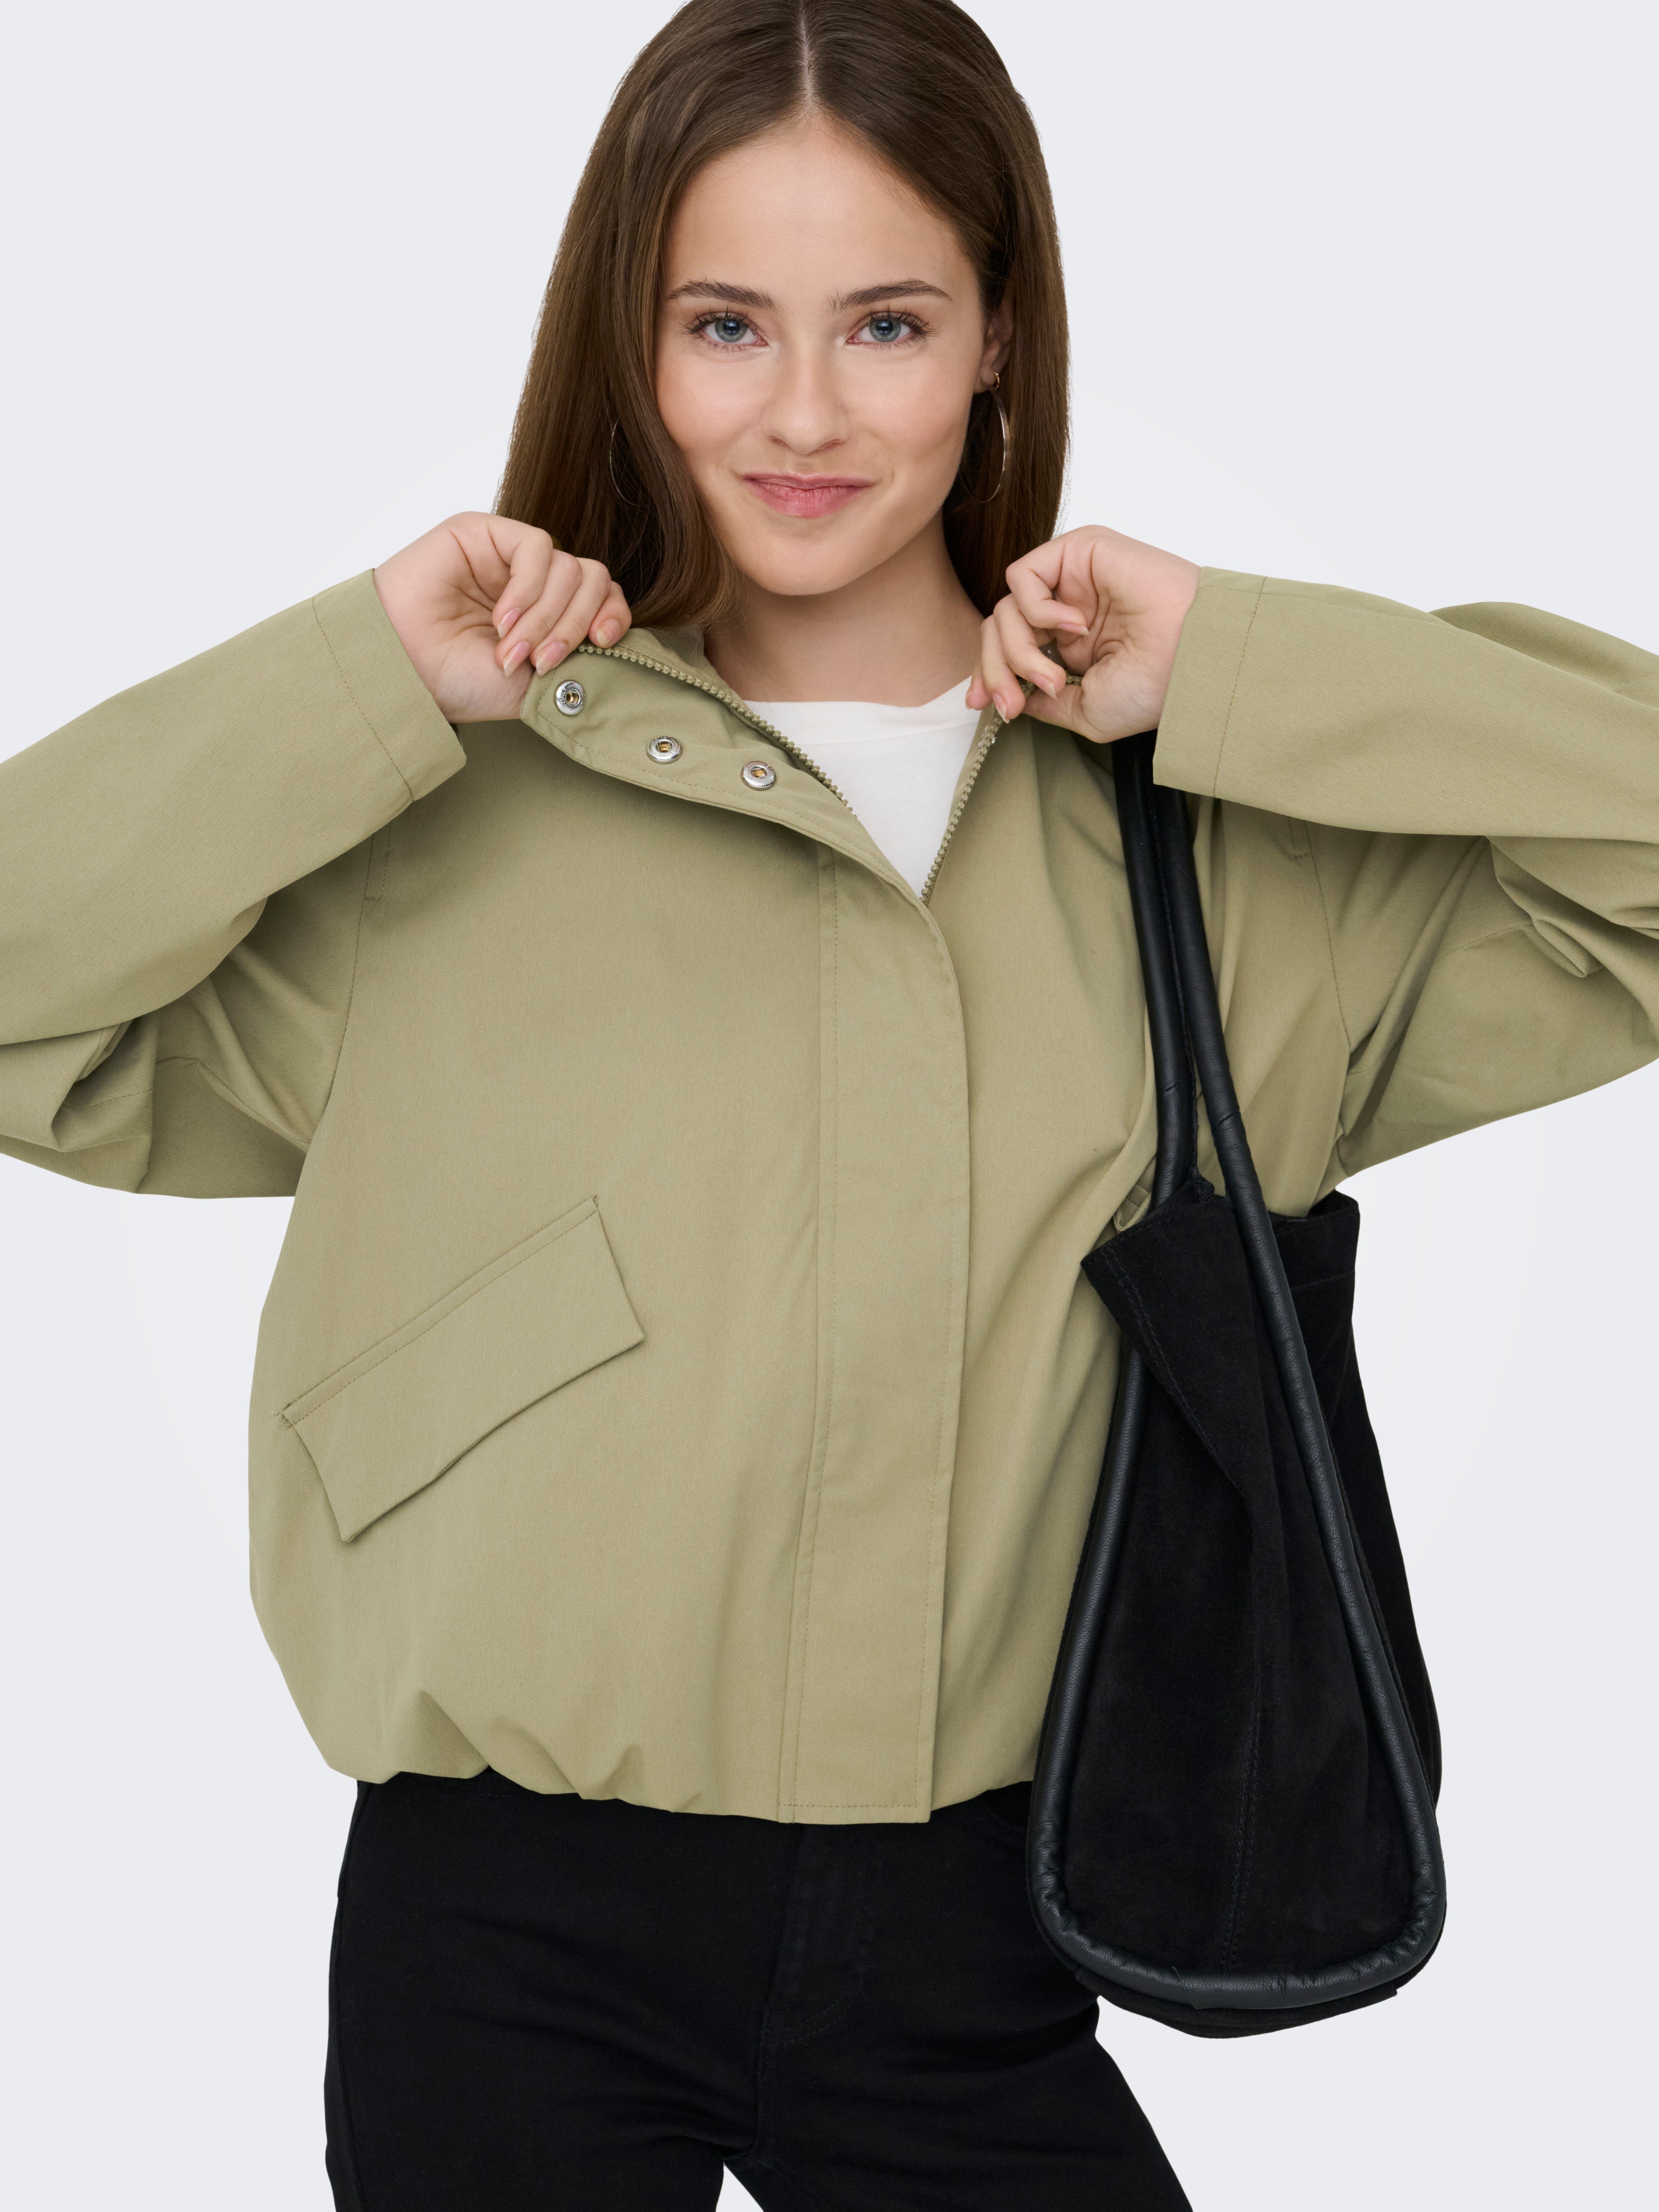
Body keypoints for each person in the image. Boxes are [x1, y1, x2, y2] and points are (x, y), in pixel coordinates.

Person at [3, 0, 1656, 2203]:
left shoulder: (1231, 862)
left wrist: (1250, 667)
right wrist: (362, 676)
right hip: (497, 1939)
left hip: (995, 1934)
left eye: (885, 323)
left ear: (997, 337)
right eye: (724, 325)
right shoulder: (438, 809)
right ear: (634, 344)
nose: (802, 413)